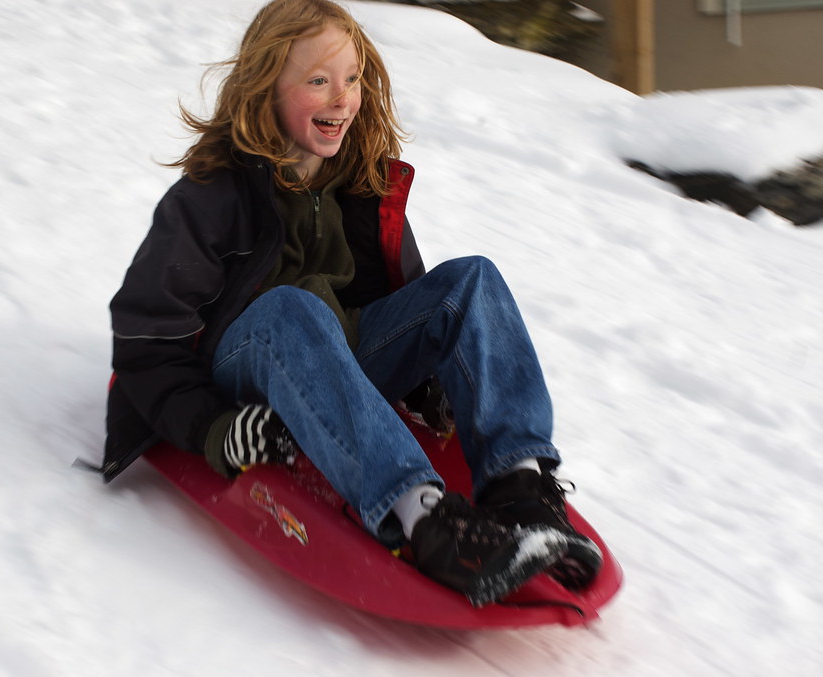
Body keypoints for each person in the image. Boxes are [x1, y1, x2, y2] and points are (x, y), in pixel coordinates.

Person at [100, 0, 601, 607]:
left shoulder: (361, 178)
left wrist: (434, 378)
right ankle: (428, 520)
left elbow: (410, 300)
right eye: (317, 81)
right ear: (265, 88)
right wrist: (212, 428)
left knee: (472, 282)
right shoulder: (212, 192)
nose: (341, 98)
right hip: (245, 370)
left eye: (352, 78)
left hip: (338, 357)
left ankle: (520, 490)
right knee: (293, 307)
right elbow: (145, 338)